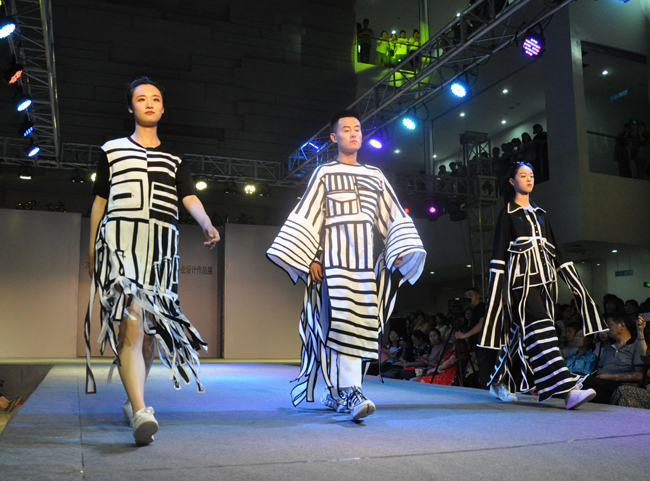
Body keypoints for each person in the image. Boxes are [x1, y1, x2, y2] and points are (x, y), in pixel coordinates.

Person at [267, 110, 426, 421]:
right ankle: (350, 391)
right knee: (341, 323)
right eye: (346, 129)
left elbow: (391, 214)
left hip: (364, 265)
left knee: (360, 324)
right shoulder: (324, 173)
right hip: (333, 263)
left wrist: (398, 248)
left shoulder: (375, 175)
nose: (354, 133)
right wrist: (312, 256)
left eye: (358, 129)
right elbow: (310, 214)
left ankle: (339, 392)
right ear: (333, 137)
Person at [87, 77, 219, 445]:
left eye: (156, 98)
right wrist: (93, 247)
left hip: (160, 251)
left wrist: (206, 222)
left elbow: (188, 196)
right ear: (130, 107)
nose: (149, 103)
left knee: (148, 336)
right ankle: (141, 412)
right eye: (141, 98)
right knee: (131, 324)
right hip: (121, 245)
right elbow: (100, 201)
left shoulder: (175, 159)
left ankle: (135, 401)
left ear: (163, 108)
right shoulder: (112, 150)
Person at [479, 161, 606, 409]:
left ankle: (497, 381)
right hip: (521, 286)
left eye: (532, 175)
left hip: (546, 285)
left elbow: (557, 251)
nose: (529, 179)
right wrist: (497, 294)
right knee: (544, 330)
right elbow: (498, 255)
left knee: (520, 334)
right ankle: (567, 391)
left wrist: (572, 282)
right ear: (512, 181)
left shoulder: (541, 214)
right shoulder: (508, 214)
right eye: (523, 175)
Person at [580, 314, 646, 404]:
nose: (606, 329)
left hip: (621, 386)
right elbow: (600, 371)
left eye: (609, 324)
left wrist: (612, 377)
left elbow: (639, 376)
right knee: (578, 377)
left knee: (585, 382)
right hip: (602, 383)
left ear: (622, 325)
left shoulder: (637, 345)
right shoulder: (608, 347)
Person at [456, 287, 495, 389]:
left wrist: (465, 335)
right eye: (465, 296)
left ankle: (487, 390)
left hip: (485, 344)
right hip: (478, 345)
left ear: (478, 296)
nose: (468, 298)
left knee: (485, 372)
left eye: (470, 295)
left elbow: (482, 324)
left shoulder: (481, 307)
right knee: (482, 371)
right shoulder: (474, 311)